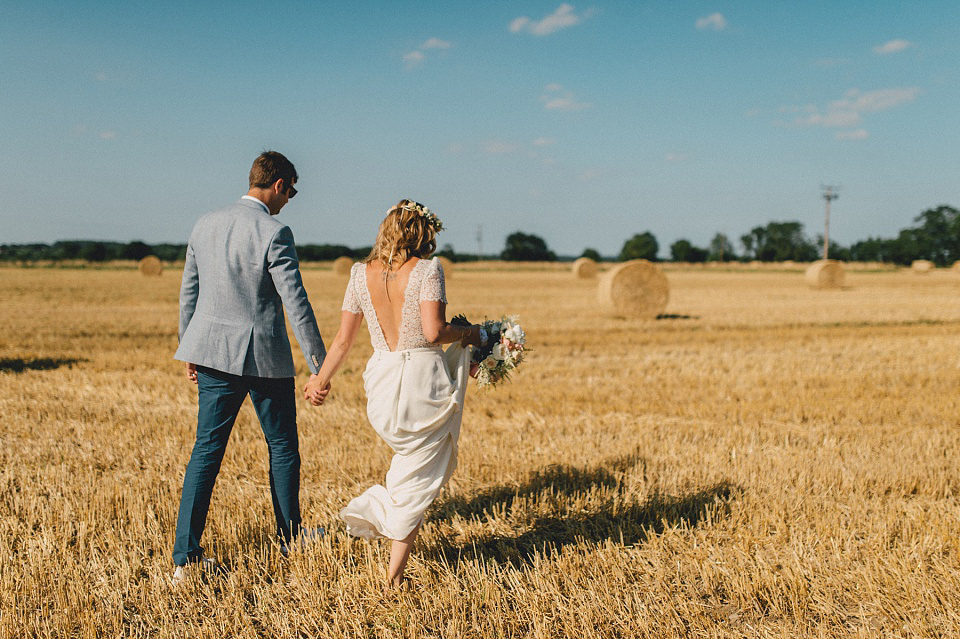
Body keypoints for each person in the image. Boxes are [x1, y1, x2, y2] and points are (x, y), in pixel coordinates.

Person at [303, 199, 483, 590]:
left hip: (383, 380)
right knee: (416, 480)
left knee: (410, 467)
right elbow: (434, 333)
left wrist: (320, 380)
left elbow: (342, 340)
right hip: (422, 382)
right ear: (423, 233)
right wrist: (471, 334)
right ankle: (392, 571)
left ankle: (392, 553)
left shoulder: (357, 274)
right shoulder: (428, 271)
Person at [172, 151, 327, 579]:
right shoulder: (274, 231)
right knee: (282, 448)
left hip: (210, 354)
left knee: (206, 451)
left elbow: (190, 292)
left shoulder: (205, 223)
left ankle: (185, 559)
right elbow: (296, 302)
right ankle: (290, 536)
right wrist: (320, 362)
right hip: (263, 360)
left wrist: (189, 347)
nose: (290, 199)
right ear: (278, 184)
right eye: (291, 190)